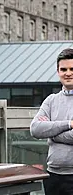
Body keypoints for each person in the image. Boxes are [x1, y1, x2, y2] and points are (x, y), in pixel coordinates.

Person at [30, 48, 73, 195]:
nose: (68, 73)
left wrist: (51, 133)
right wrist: (68, 124)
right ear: (58, 71)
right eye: (64, 69)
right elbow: (35, 129)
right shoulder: (51, 100)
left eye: (72, 69)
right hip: (53, 175)